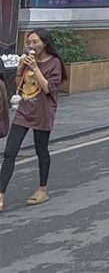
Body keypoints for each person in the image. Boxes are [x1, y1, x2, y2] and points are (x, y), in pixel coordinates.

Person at [0, 29, 67, 211]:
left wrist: (35, 68)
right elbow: (18, 85)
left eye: (35, 42)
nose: (31, 45)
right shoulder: (28, 60)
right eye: (29, 42)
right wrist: (20, 69)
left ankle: (42, 189)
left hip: (43, 112)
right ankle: (1, 195)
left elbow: (48, 88)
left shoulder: (54, 63)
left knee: (41, 150)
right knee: (10, 152)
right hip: (24, 111)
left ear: (45, 43)